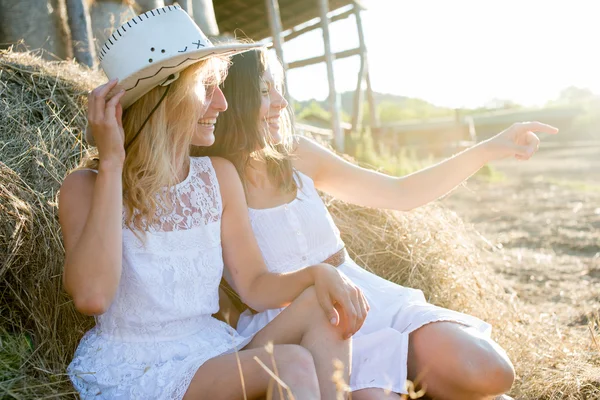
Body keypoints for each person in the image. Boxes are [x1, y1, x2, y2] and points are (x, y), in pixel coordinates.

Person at [202, 48, 560, 400]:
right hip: (304, 324)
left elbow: (400, 192)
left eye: (279, 87)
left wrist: (488, 149)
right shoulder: (216, 179)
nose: (280, 101)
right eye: (265, 91)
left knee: (490, 369)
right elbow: (250, 285)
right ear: (233, 98)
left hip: (367, 297)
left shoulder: (299, 154)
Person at [60, 7, 365, 399]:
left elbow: (254, 285)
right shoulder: (85, 187)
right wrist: (114, 163)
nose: (222, 103)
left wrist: (317, 274)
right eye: (207, 88)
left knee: (327, 309)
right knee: (290, 363)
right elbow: (92, 297)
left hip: (211, 349)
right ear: (165, 97)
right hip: (139, 368)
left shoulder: (217, 176)